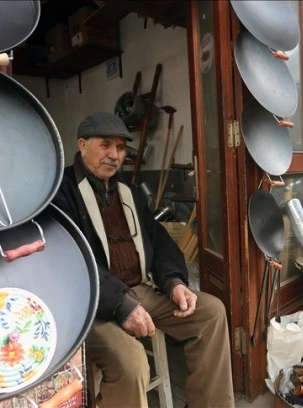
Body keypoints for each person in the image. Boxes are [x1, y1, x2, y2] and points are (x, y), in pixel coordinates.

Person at [53, 112, 235, 407]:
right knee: (133, 364)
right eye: (106, 145)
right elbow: (69, 261)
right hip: (93, 304)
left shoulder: (128, 190)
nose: (115, 155)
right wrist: (122, 305)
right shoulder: (62, 192)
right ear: (82, 145)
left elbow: (157, 238)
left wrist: (173, 280)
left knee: (212, 312)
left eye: (122, 148)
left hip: (140, 290)